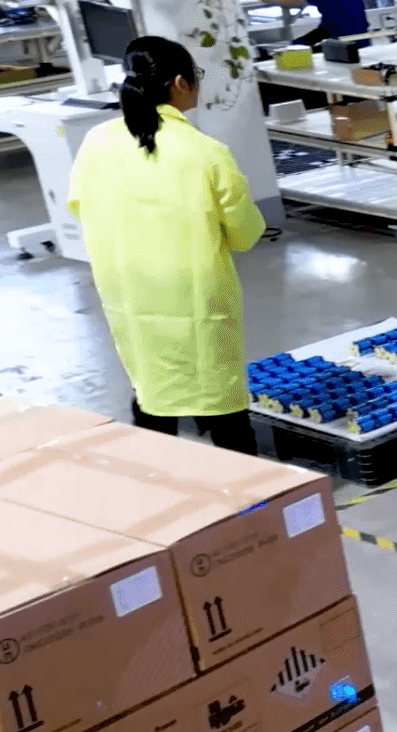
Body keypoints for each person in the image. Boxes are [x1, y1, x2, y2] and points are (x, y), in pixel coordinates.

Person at [68, 37, 267, 455]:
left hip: (127, 288)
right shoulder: (206, 152)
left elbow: (80, 207)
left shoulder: (97, 141)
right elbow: (245, 233)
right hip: (193, 296)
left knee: (151, 388)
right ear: (179, 83)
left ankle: (158, 479)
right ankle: (247, 489)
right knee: (219, 400)